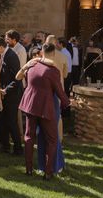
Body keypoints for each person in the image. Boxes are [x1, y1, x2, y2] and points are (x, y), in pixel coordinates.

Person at [18, 43, 70, 180]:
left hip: (30, 105)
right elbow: (59, 91)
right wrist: (69, 103)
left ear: (41, 52)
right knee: (52, 139)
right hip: (45, 108)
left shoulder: (32, 65)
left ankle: (28, 169)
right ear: (53, 54)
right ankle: (48, 172)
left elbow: (20, 77)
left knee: (29, 137)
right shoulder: (52, 70)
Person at [0, 37, 23, 155]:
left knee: (12, 121)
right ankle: (5, 146)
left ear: (1, 47)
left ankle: (18, 148)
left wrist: (6, 90)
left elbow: (18, 78)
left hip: (13, 94)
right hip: (6, 93)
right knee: (4, 120)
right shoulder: (4, 55)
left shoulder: (11, 56)